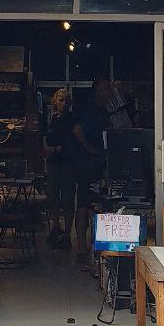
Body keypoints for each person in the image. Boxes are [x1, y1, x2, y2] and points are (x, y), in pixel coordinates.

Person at [70, 77, 113, 261]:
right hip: (85, 162)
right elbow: (77, 130)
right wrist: (90, 149)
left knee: (98, 202)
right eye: (106, 89)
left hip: (99, 162)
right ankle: (81, 244)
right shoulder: (90, 109)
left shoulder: (104, 110)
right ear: (97, 90)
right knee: (84, 202)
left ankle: (98, 244)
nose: (109, 92)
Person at [44, 88, 76, 247]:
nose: (63, 104)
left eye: (66, 101)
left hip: (67, 162)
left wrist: (57, 149)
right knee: (52, 196)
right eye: (61, 100)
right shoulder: (52, 119)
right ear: (55, 102)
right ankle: (56, 227)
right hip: (52, 162)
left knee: (68, 197)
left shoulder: (71, 120)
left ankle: (67, 234)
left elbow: (70, 142)